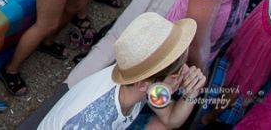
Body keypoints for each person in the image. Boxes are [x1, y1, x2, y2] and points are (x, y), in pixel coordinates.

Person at [38, 13, 206, 130]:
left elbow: (171, 119)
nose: (185, 72)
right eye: (177, 72)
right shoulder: (92, 122)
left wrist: (191, 93)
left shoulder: (141, 73)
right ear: (142, 85)